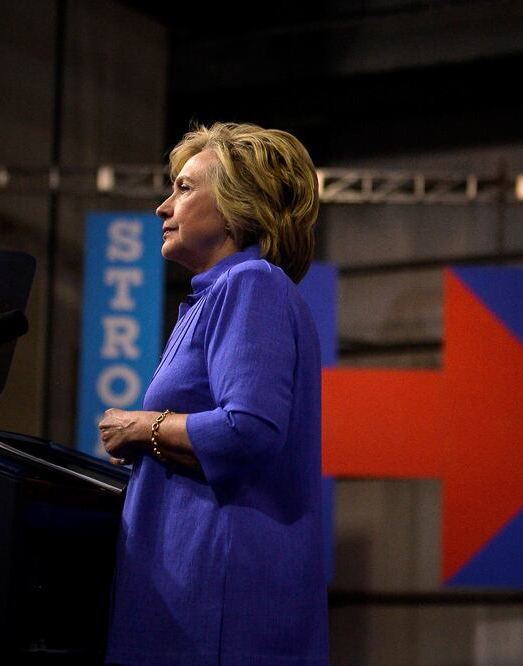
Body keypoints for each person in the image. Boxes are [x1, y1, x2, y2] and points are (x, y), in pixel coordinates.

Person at [98, 122, 328, 665]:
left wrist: (141, 427)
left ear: (235, 208)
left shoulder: (252, 285)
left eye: (182, 188)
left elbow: (248, 430)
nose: (162, 206)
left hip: (216, 609)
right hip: (193, 601)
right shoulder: (218, 296)